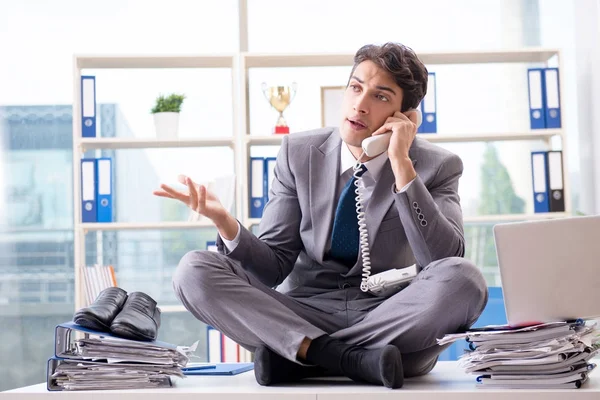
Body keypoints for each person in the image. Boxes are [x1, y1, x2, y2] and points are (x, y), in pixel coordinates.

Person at [153, 42, 488, 389]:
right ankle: (349, 359)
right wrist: (225, 221)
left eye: (381, 97)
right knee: (193, 269)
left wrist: (401, 163)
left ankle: (303, 356)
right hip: (306, 312)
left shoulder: (438, 166)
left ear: (405, 116)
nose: (360, 104)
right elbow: (273, 266)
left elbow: (442, 259)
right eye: (356, 87)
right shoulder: (299, 153)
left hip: (388, 316)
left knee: (466, 280)